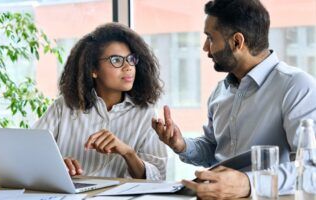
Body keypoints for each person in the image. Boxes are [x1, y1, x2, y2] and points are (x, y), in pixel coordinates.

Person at [152, 0, 316, 198]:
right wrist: (181, 145)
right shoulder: (220, 91)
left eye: (210, 38)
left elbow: (311, 170)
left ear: (237, 42)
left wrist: (248, 183)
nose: (205, 48)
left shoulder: (297, 86)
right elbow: (214, 149)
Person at [33, 23, 167, 180]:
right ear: (93, 69)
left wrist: (128, 153)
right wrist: (55, 164)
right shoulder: (63, 107)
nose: (128, 67)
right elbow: (29, 154)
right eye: (116, 60)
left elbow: (158, 177)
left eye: (131, 59)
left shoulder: (146, 114)